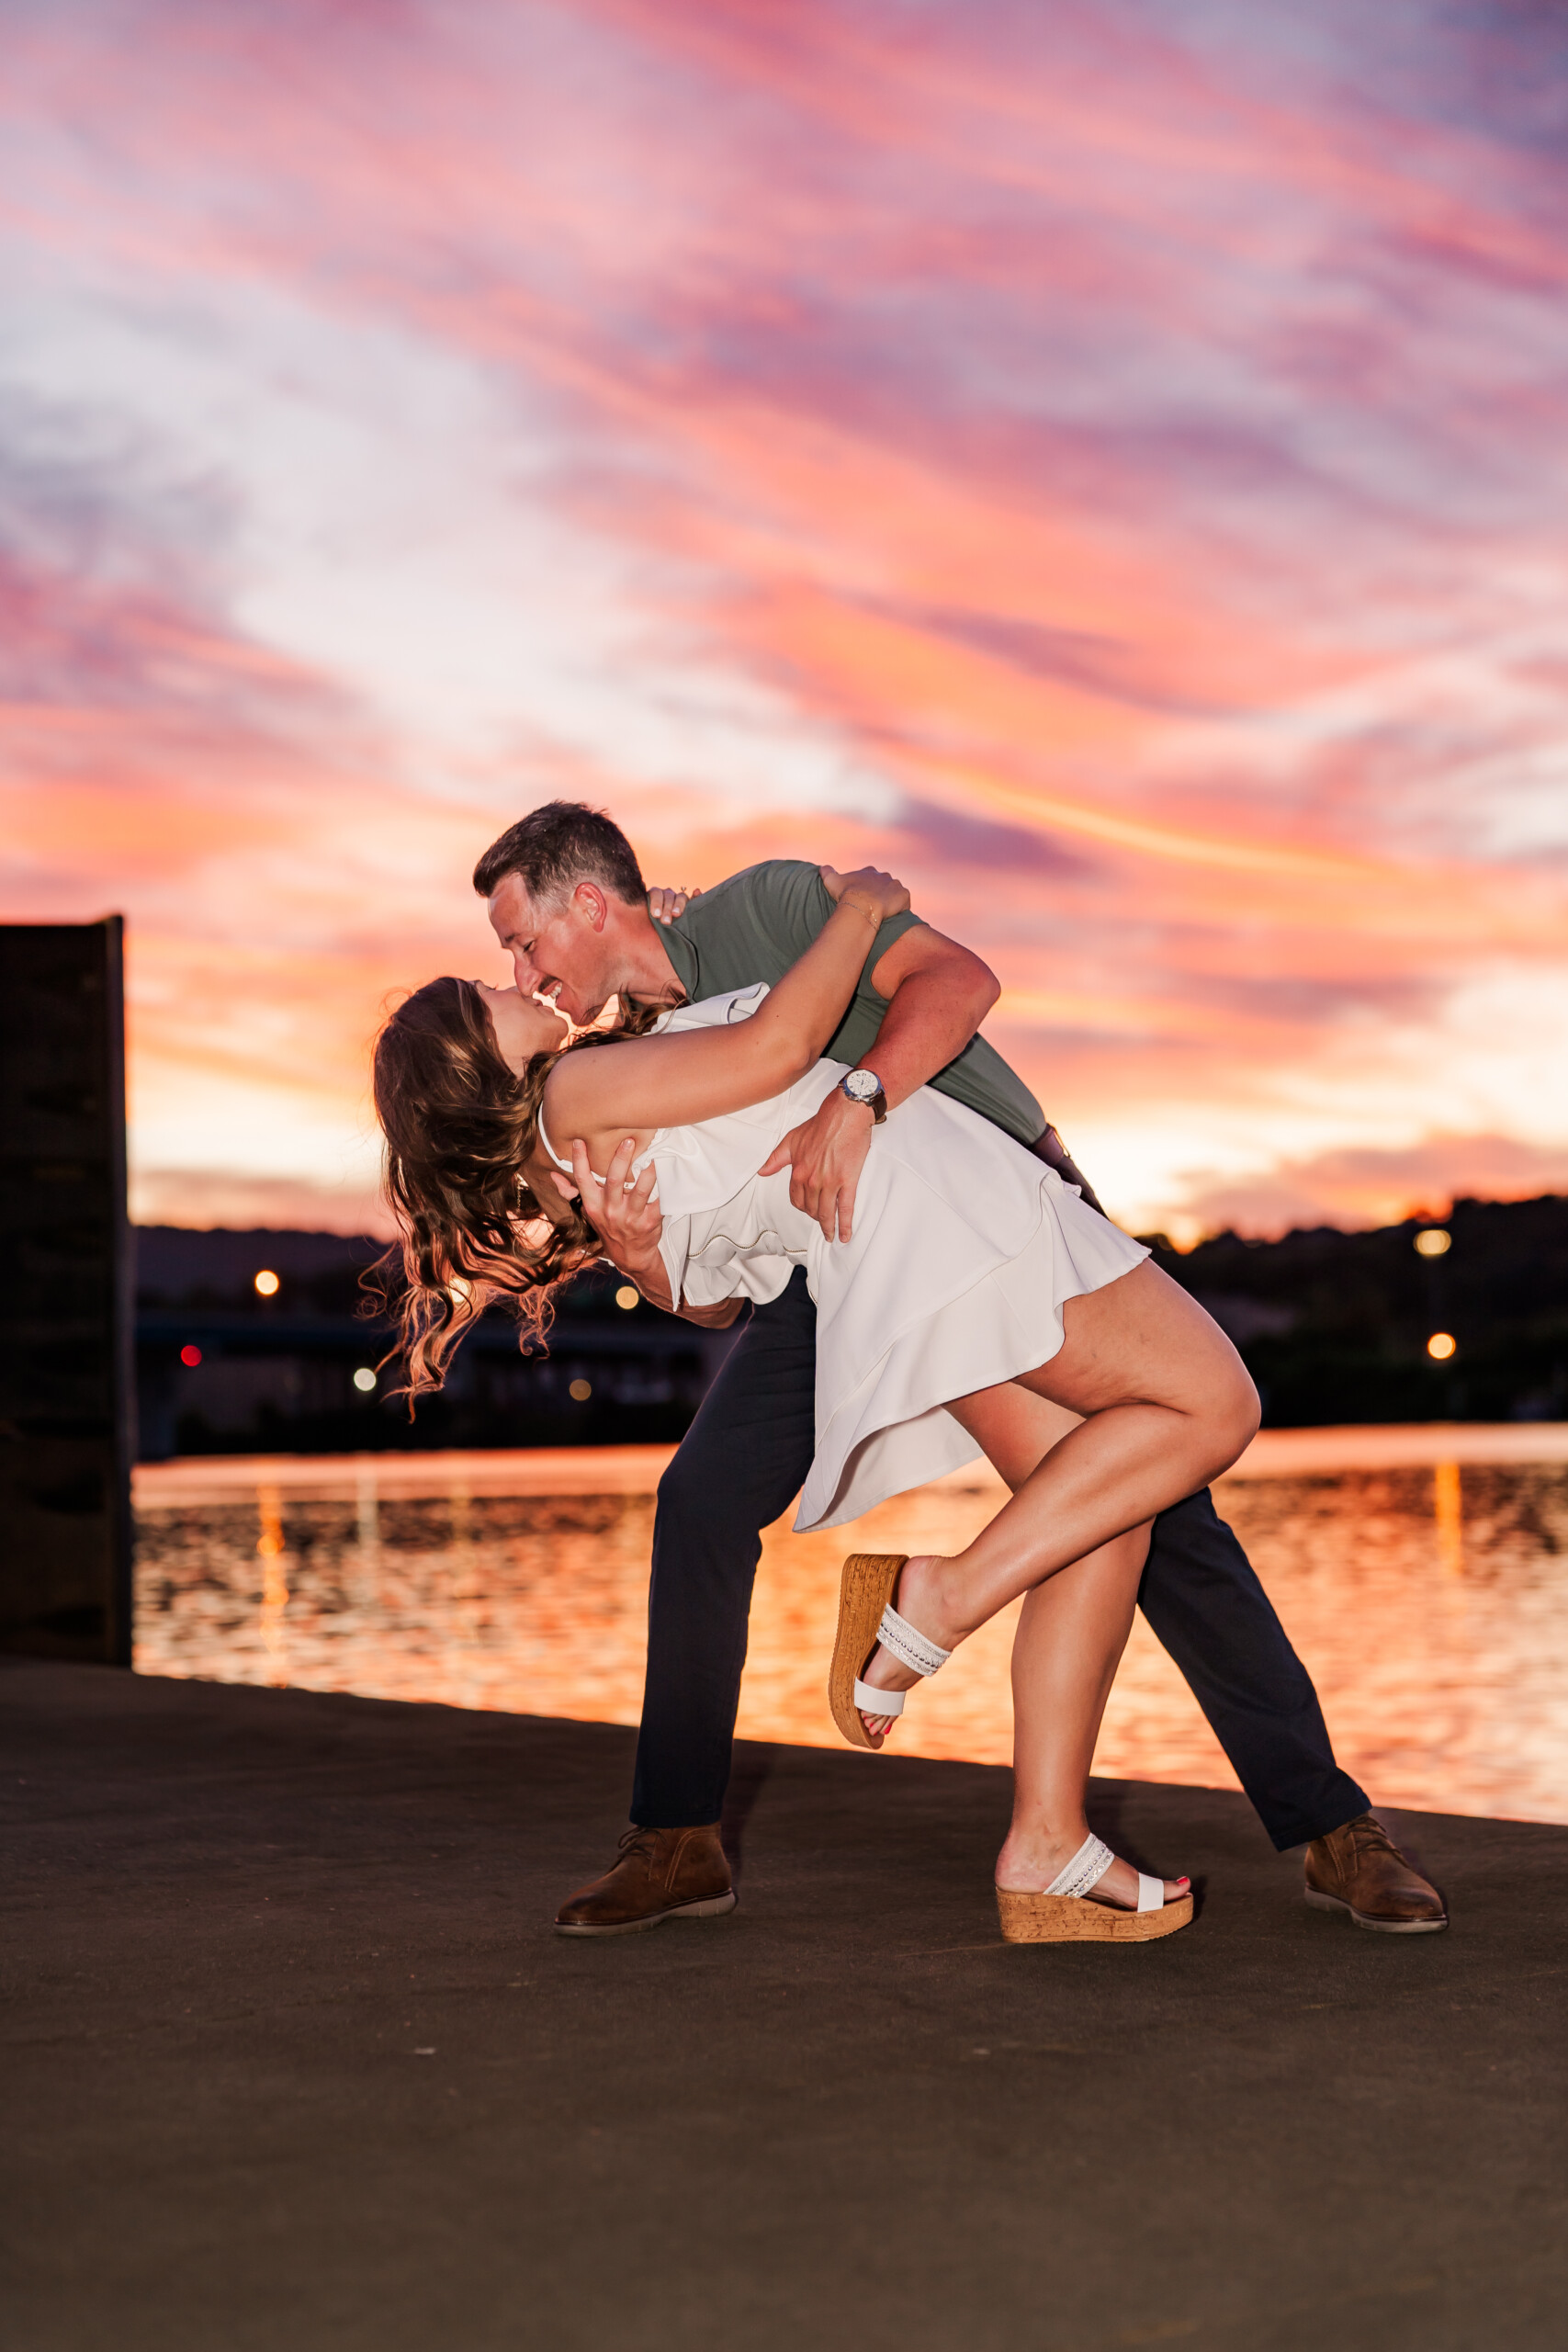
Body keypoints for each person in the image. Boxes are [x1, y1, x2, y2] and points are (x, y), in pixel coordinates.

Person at [469, 804, 1447, 1939]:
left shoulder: (767, 906)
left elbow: (960, 980)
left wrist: (863, 1092)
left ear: (588, 901)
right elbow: (723, 1290)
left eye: (522, 937)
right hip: (833, 1266)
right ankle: (675, 1838)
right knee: (700, 1498)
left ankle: (1332, 1827)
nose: (521, 968)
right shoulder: (617, 1056)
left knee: (1160, 1504)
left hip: (991, 1200)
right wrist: (641, 1259)